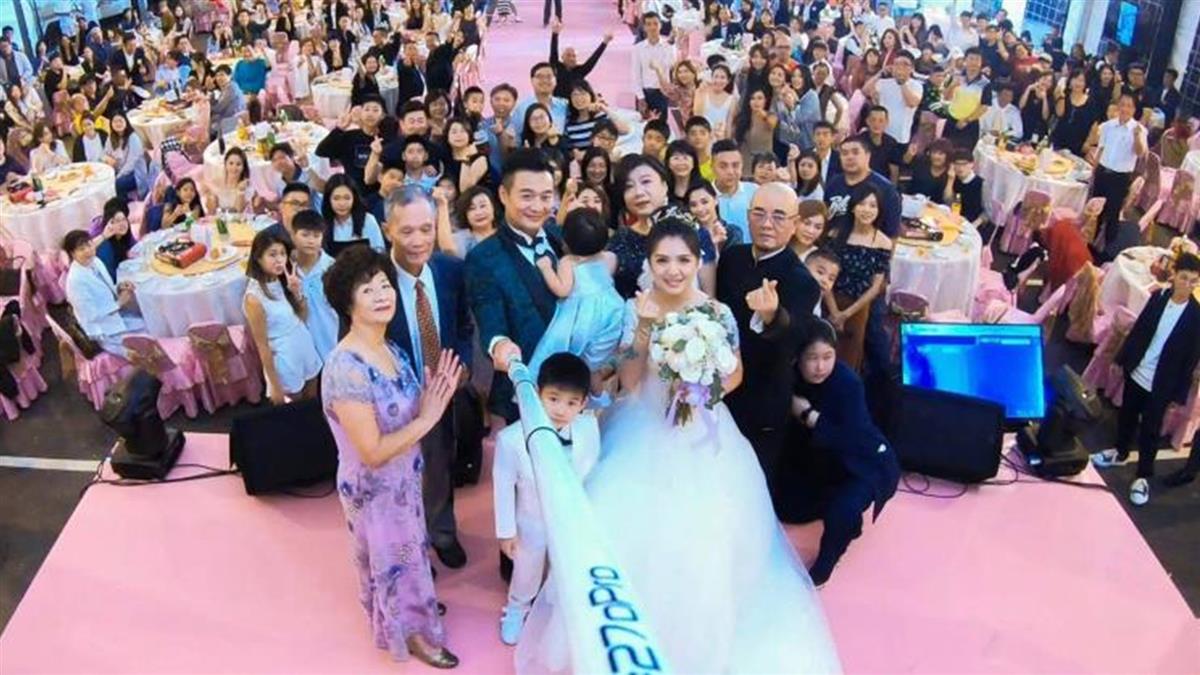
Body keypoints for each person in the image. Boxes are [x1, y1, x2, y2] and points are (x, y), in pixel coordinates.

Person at [514, 217, 841, 675]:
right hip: (642, 427)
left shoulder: (717, 312)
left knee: (706, 539)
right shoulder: (636, 308)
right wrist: (644, 330)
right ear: (649, 263)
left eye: (683, 260)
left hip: (704, 433)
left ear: (697, 260)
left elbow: (735, 373)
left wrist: (702, 390)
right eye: (662, 260)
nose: (673, 270)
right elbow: (630, 382)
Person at [320, 245, 462, 669]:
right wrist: (430, 417)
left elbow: (408, 409)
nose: (383, 295)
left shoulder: (391, 349)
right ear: (347, 303)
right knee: (395, 561)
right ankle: (411, 632)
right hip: (374, 493)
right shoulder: (346, 368)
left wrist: (433, 398)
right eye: (368, 290)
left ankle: (416, 605)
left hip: (403, 484)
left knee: (409, 552)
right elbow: (372, 451)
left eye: (385, 285)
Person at [382, 184, 475, 568]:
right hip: (392, 403)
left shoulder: (450, 270)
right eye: (407, 231)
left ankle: (442, 531)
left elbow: (463, 326)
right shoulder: (373, 279)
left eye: (426, 229)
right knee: (396, 479)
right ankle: (408, 549)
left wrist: (463, 366)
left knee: (439, 464)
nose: (419, 240)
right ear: (387, 230)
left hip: (441, 396)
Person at [717, 181, 822, 503]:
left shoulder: (802, 281)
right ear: (748, 216)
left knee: (754, 488)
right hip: (720, 390)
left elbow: (794, 339)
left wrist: (773, 315)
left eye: (778, 216)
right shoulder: (731, 258)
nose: (766, 224)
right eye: (759, 213)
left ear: (794, 223)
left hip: (761, 399)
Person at [781, 319, 901, 584]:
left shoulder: (848, 383)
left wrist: (810, 416)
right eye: (812, 358)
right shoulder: (791, 378)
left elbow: (853, 438)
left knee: (843, 511)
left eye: (828, 357)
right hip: (824, 463)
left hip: (864, 463)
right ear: (798, 358)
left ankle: (826, 563)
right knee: (787, 507)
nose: (820, 367)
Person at [493, 352, 599, 645]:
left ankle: (555, 607)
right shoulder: (511, 439)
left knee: (565, 567)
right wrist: (506, 531)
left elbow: (592, 473)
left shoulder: (589, 429)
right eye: (553, 399)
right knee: (526, 569)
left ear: (583, 403)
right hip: (531, 519)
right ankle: (517, 608)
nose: (561, 410)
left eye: (571, 403)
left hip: (571, 519)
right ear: (537, 394)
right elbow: (503, 488)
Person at [1092, 253, 1200, 506]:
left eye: (1193, 281)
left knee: (1150, 430)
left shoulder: (1196, 316)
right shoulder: (1158, 297)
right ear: (1174, 275)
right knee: (1126, 415)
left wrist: (1178, 395)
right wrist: (1122, 359)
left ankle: (1143, 476)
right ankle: (1120, 452)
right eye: (1184, 278)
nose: (1187, 285)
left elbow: (1191, 359)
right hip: (1138, 372)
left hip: (1162, 383)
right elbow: (1139, 330)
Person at [465, 150, 564, 423]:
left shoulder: (561, 238)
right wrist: (499, 345)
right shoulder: (483, 257)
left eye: (546, 196)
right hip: (520, 392)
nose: (538, 206)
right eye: (527, 196)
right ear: (503, 194)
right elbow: (489, 318)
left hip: (572, 389)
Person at [527, 207, 623, 388]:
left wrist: (546, 269)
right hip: (611, 310)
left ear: (566, 240)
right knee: (599, 355)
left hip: (581, 316)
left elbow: (562, 290)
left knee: (562, 349)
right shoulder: (610, 257)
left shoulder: (569, 262)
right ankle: (596, 388)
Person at [607, 154, 717, 299]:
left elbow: (709, 296)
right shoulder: (620, 240)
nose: (638, 192)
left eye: (646, 181)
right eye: (629, 187)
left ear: (664, 186)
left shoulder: (693, 231)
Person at [243, 229, 323, 404]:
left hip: (303, 343)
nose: (279, 260)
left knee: (314, 398)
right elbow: (262, 345)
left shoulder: (285, 279)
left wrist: (297, 293)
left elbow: (303, 317)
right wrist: (275, 385)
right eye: (272, 254)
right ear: (258, 258)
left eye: (282, 254)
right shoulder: (254, 298)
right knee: (295, 406)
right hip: (284, 355)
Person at [827, 185, 893, 373]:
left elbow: (875, 287)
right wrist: (834, 311)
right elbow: (825, 276)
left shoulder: (883, 242)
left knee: (849, 357)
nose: (867, 210)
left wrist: (845, 315)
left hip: (858, 308)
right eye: (862, 204)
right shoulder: (835, 235)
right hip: (830, 301)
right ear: (853, 207)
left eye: (873, 205)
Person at [62, 229, 145, 358]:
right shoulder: (75, 281)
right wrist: (119, 303)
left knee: (149, 324)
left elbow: (104, 288)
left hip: (115, 317)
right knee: (145, 342)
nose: (88, 251)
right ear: (72, 254)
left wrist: (119, 287)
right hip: (102, 330)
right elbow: (91, 316)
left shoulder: (95, 261)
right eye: (81, 249)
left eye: (89, 245)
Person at [1090, 93, 1147, 249]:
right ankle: (1090, 244)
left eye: (1129, 106)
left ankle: (1107, 249)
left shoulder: (1139, 130)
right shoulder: (1108, 126)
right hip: (1102, 172)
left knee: (1112, 214)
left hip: (1119, 178)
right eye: (1122, 105)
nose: (1125, 109)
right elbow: (1101, 149)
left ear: (1134, 109)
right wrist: (1094, 171)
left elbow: (1140, 153)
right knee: (1095, 212)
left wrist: (1137, 137)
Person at [824, 136, 901, 237]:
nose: (850, 157)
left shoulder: (885, 189)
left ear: (868, 156)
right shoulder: (834, 183)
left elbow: (892, 233)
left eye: (855, 152)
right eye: (844, 153)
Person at [289, 209, 339, 360]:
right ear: (293, 235)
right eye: (305, 235)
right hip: (300, 348)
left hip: (330, 342)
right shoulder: (286, 267)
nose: (311, 241)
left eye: (316, 236)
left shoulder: (332, 268)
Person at [322, 174, 386, 255]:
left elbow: (379, 251)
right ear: (328, 200)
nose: (342, 203)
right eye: (336, 198)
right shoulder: (323, 223)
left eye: (347, 198)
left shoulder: (368, 220)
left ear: (354, 198)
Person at [548, 19, 610, 98]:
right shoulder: (556, 67)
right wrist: (555, 34)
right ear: (562, 57)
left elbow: (593, 59)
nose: (571, 58)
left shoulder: (580, 71)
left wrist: (605, 42)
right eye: (568, 55)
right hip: (557, 103)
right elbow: (553, 52)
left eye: (574, 56)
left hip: (575, 103)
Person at [631, 12, 676, 122]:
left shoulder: (668, 46)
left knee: (661, 125)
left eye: (655, 23)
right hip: (645, 92)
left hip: (662, 93)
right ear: (644, 27)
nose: (652, 27)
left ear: (660, 25)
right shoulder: (638, 48)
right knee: (642, 126)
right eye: (649, 24)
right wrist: (640, 97)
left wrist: (671, 45)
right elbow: (635, 75)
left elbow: (672, 64)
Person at [711, 139, 758, 243]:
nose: (730, 172)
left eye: (735, 165)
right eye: (723, 166)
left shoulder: (755, 192)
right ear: (712, 167)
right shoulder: (705, 197)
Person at [89, 197, 137, 280]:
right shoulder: (105, 246)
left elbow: (135, 246)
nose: (122, 224)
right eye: (117, 220)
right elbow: (111, 276)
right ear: (109, 223)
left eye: (124, 219)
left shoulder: (125, 231)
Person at [205, 147, 254, 213]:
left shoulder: (247, 186)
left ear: (243, 167)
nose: (234, 168)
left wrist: (240, 191)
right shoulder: (215, 182)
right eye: (231, 163)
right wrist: (211, 200)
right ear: (225, 164)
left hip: (239, 218)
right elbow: (211, 212)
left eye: (238, 164)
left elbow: (238, 211)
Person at [792, 198, 829, 262]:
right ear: (795, 221)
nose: (810, 231)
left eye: (818, 227)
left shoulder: (819, 259)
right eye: (806, 223)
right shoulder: (780, 244)